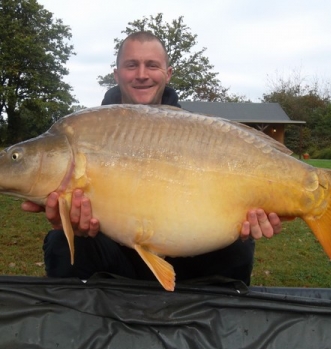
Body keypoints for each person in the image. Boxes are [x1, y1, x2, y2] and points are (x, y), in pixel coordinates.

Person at [22, 32, 282, 286]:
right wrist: (71, 222)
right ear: (117, 74)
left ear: (167, 74)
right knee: (63, 243)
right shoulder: (86, 130)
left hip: (190, 257)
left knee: (240, 246)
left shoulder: (196, 133)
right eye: (132, 65)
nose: (142, 74)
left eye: (152, 65)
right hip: (116, 259)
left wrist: (258, 213)